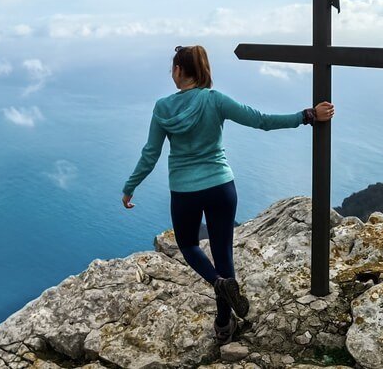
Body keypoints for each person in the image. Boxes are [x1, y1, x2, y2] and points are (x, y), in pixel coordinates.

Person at [120, 45, 334, 345]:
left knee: (188, 245)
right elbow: (260, 120)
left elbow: (150, 154)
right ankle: (223, 323)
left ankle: (218, 285)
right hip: (222, 187)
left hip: (185, 191)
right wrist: (308, 115)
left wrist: (130, 187)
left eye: (173, 68)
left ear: (179, 71)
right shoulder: (215, 100)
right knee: (223, 252)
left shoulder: (162, 108)